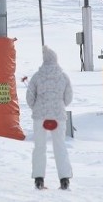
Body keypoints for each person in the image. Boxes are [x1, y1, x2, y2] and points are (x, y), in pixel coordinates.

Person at [26, 45, 74, 190]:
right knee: (60, 146)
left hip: (40, 116)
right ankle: (64, 179)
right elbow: (68, 97)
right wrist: (60, 105)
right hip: (58, 116)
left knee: (39, 147)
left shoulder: (36, 76)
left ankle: (39, 179)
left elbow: (29, 97)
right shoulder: (63, 76)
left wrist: (36, 107)